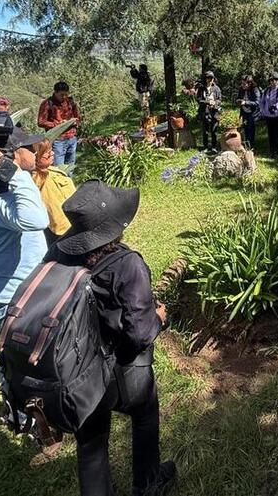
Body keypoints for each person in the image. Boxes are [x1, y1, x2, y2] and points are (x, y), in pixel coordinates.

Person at [47, 181, 175, 496]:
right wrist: (159, 317)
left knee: (90, 440)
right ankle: (148, 484)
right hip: (120, 369)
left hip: (75, 369)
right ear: (115, 227)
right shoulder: (127, 264)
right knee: (144, 413)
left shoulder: (57, 253)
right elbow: (139, 333)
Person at [0, 129, 55, 454]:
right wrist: (15, 176)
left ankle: (17, 410)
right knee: (21, 362)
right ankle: (25, 420)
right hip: (8, 300)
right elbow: (36, 219)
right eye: (31, 148)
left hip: (1, 293)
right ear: (15, 157)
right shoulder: (0, 200)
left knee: (12, 357)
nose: (38, 151)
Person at [31, 139, 77, 244]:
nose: (52, 154)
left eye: (51, 150)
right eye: (46, 153)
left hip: (72, 220)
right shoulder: (37, 177)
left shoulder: (54, 171)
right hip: (60, 227)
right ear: (35, 157)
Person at [38, 81, 82, 167]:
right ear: (55, 92)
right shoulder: (47, 104)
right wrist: (57, 125)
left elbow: (78, 118)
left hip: (72, 138)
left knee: (70, 165)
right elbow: (41, 122)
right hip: (57, 140)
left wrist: (73, 122)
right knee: (58, 166)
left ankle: (69, 180)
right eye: (61, 95)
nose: (64, 97)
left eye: (66, 94)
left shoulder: (70, 102)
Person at [259, 71, 278, 157]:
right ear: (269, 81)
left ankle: (276, 151)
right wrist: (262, 111)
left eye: (275, 80)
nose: (273, 82)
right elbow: (261, 102)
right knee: (270, 133)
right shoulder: (266, 91)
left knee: (277, 134)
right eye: (271, 80)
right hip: (268, 116)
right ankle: (271, 150)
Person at [196, 71, 222, 152]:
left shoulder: (217, 88)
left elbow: (219, 99)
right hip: (204, 112)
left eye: (211, 78)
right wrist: (207, 102)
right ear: (205, 79)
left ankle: (214, 147)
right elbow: (198, 99)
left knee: (214, 130)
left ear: (213, 78)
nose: (210, 79)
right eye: (208, 78)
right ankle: (206, 147)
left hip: (214, 112)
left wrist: (215, 103)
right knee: (205, 131)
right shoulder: (201, 88)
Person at [236, 74, 261, 149]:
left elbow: (257, 102)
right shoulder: (241, 89)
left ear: (249, 83)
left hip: (253, 113)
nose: (242, 85)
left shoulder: (255, 89)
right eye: (242, 83)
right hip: (244, 112)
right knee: (245, 128)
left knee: (251, 129)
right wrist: (238, 100)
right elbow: (238, 97)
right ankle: (246, 146)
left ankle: (250, 147)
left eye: (244, 84)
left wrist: (246, 102)